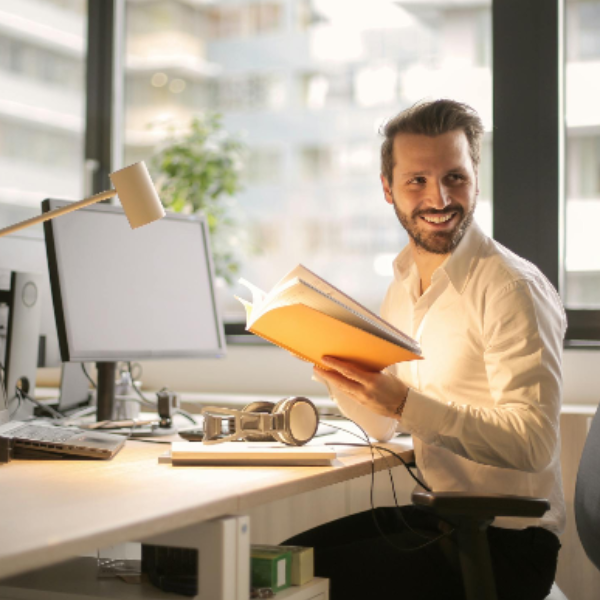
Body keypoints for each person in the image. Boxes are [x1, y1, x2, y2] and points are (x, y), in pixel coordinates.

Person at [284, 99, 565, 600]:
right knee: (274, 562)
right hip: (440, 519)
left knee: (292, 586)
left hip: (507, 546)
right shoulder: (404, 282)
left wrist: (401, 401)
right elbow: (383, 426)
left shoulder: (510, 288)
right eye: (417, 181)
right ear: (387, 189)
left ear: (476, 177)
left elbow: (533, 442)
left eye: (455, 177)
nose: (439, 198)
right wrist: (333, 367)